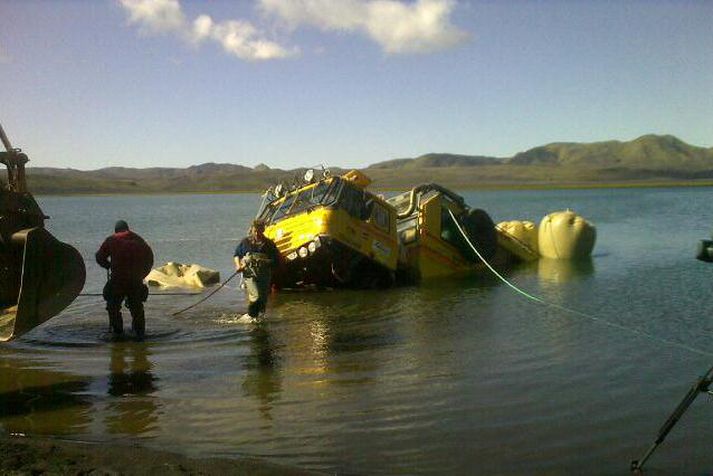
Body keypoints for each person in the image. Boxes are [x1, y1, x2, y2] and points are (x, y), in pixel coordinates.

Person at [96, 220, 154, 338]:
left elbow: (99, 257)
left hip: (118, 280)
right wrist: (141, 275)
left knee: (113, 307)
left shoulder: (112, 239)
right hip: (135, 280)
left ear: (116, 230)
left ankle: (118, 333)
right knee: (137, 308)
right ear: (128, 228)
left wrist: (108, 266)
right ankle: (140, 335)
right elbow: (150, 260)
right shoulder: (140, 240)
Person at [234, 219, 280, 319]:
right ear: (252, 230)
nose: (257, 233)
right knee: (256, 296)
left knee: (263, 298)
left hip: (264, 273)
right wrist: (238, 266)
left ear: (263, 230)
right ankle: (251, 315)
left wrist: (266, 261)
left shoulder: (269, 244)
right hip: (250, 273)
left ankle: (260, 316)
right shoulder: (245, 242)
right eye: (255, 231)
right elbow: (237, 254)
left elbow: (276, 259)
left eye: (259, 231)